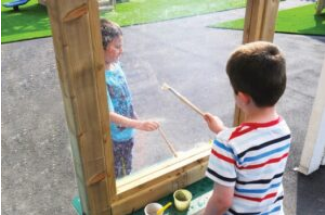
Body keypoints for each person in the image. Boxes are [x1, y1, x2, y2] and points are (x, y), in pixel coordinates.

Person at [203, 41, 291, 215]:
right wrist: (222, 130)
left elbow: (222, 201)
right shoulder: (283, 130)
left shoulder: (226, 144)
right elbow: (253, 146)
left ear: (242, 97)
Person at [100, 19, 159, 178]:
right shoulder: (99, 79)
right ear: (100, 48)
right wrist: (140, 124)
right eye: (117, 46)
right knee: (118, 173)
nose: (122, 50)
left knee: (128, 165)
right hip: (115, 139)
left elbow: (124, 95)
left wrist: (133, 114)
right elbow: (108, 114)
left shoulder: (116, 65)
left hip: (127, 133)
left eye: (121, 46)